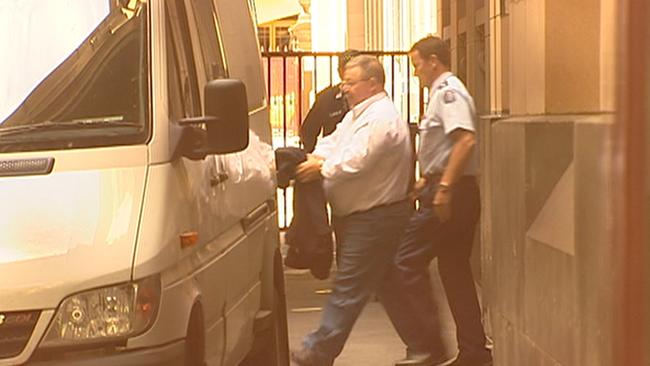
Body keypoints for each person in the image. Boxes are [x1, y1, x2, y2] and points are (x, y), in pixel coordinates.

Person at [290, 55, 413, 366]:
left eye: (350, 82)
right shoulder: (357, 115)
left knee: (349, 284)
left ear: (372, 84)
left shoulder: (382, 119)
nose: (343, 88)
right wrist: (316, 158)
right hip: (365, 216)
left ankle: (318, 350)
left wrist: (321, 169)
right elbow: (334, 142)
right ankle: (425, 342)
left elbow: (358, 159)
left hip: (375, 217)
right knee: (391, 285)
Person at [392, 36, 493, 366]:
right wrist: (428, 177)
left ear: (433, 61)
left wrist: (444, 187)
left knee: (405, 259)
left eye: (417, 64)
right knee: (454, 270)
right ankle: (474, 351)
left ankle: (429, 346)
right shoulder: (440, 93)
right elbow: (448, 147)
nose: (416, 71)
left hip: (452, 192)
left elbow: (465, 140)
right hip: (446, 187)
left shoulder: (449, 92)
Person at [299, 49, 360, 153]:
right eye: (346, 69)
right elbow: (308, 130)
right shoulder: (326, 98)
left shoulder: (370, 97)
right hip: (333, 156)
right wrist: (311, 155)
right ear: (339, 71)